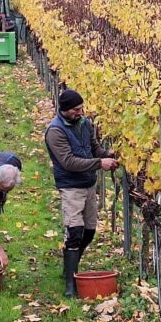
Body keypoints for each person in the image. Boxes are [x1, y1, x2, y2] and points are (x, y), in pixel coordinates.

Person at [44, 89, 119, 297]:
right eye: (76, 109)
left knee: (90, 230)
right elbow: (68, 162)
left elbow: (94, 148)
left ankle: (70, 265)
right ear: (65, 110)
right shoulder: (55, 131)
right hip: (71, 186)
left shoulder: (86, 124)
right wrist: (99, 163)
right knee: (74, 232)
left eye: (81, 108)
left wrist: (108, 156)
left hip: (88, 184)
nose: (80, 112)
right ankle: (70, 284)